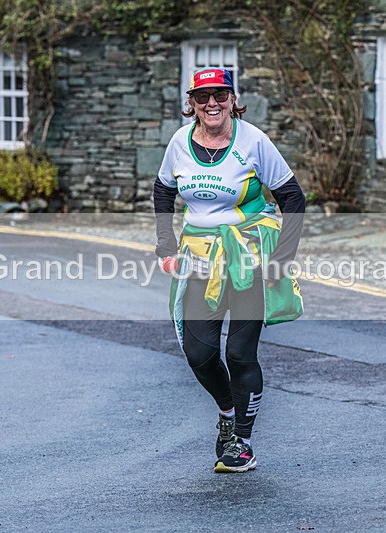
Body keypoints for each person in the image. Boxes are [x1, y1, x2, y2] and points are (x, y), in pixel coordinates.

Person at [153, 67, 306, 472]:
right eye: (202, 97)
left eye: (220, 95)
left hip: (248, 258)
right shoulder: (179, 143)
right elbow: (163, 189)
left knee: (239, 353)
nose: (212, 104)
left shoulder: (254, 141)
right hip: (200, 257)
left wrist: (282, 258)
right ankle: (227, 411)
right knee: (198, 353)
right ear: (192, 104)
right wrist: (165, 244)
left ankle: (242, 440)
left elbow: (293, 197)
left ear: (233, 99)